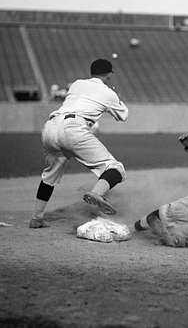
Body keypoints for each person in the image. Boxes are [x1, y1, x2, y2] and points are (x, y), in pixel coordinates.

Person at [29, 59, 129, 228]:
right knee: (116, 168)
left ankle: (36, 218)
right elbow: (123, 116)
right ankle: (97, 194)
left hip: (51, 128)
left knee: (50, 175)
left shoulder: (76, 84)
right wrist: (114, 96)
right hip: (74, 129)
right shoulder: (108, 92)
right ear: (109, 74)